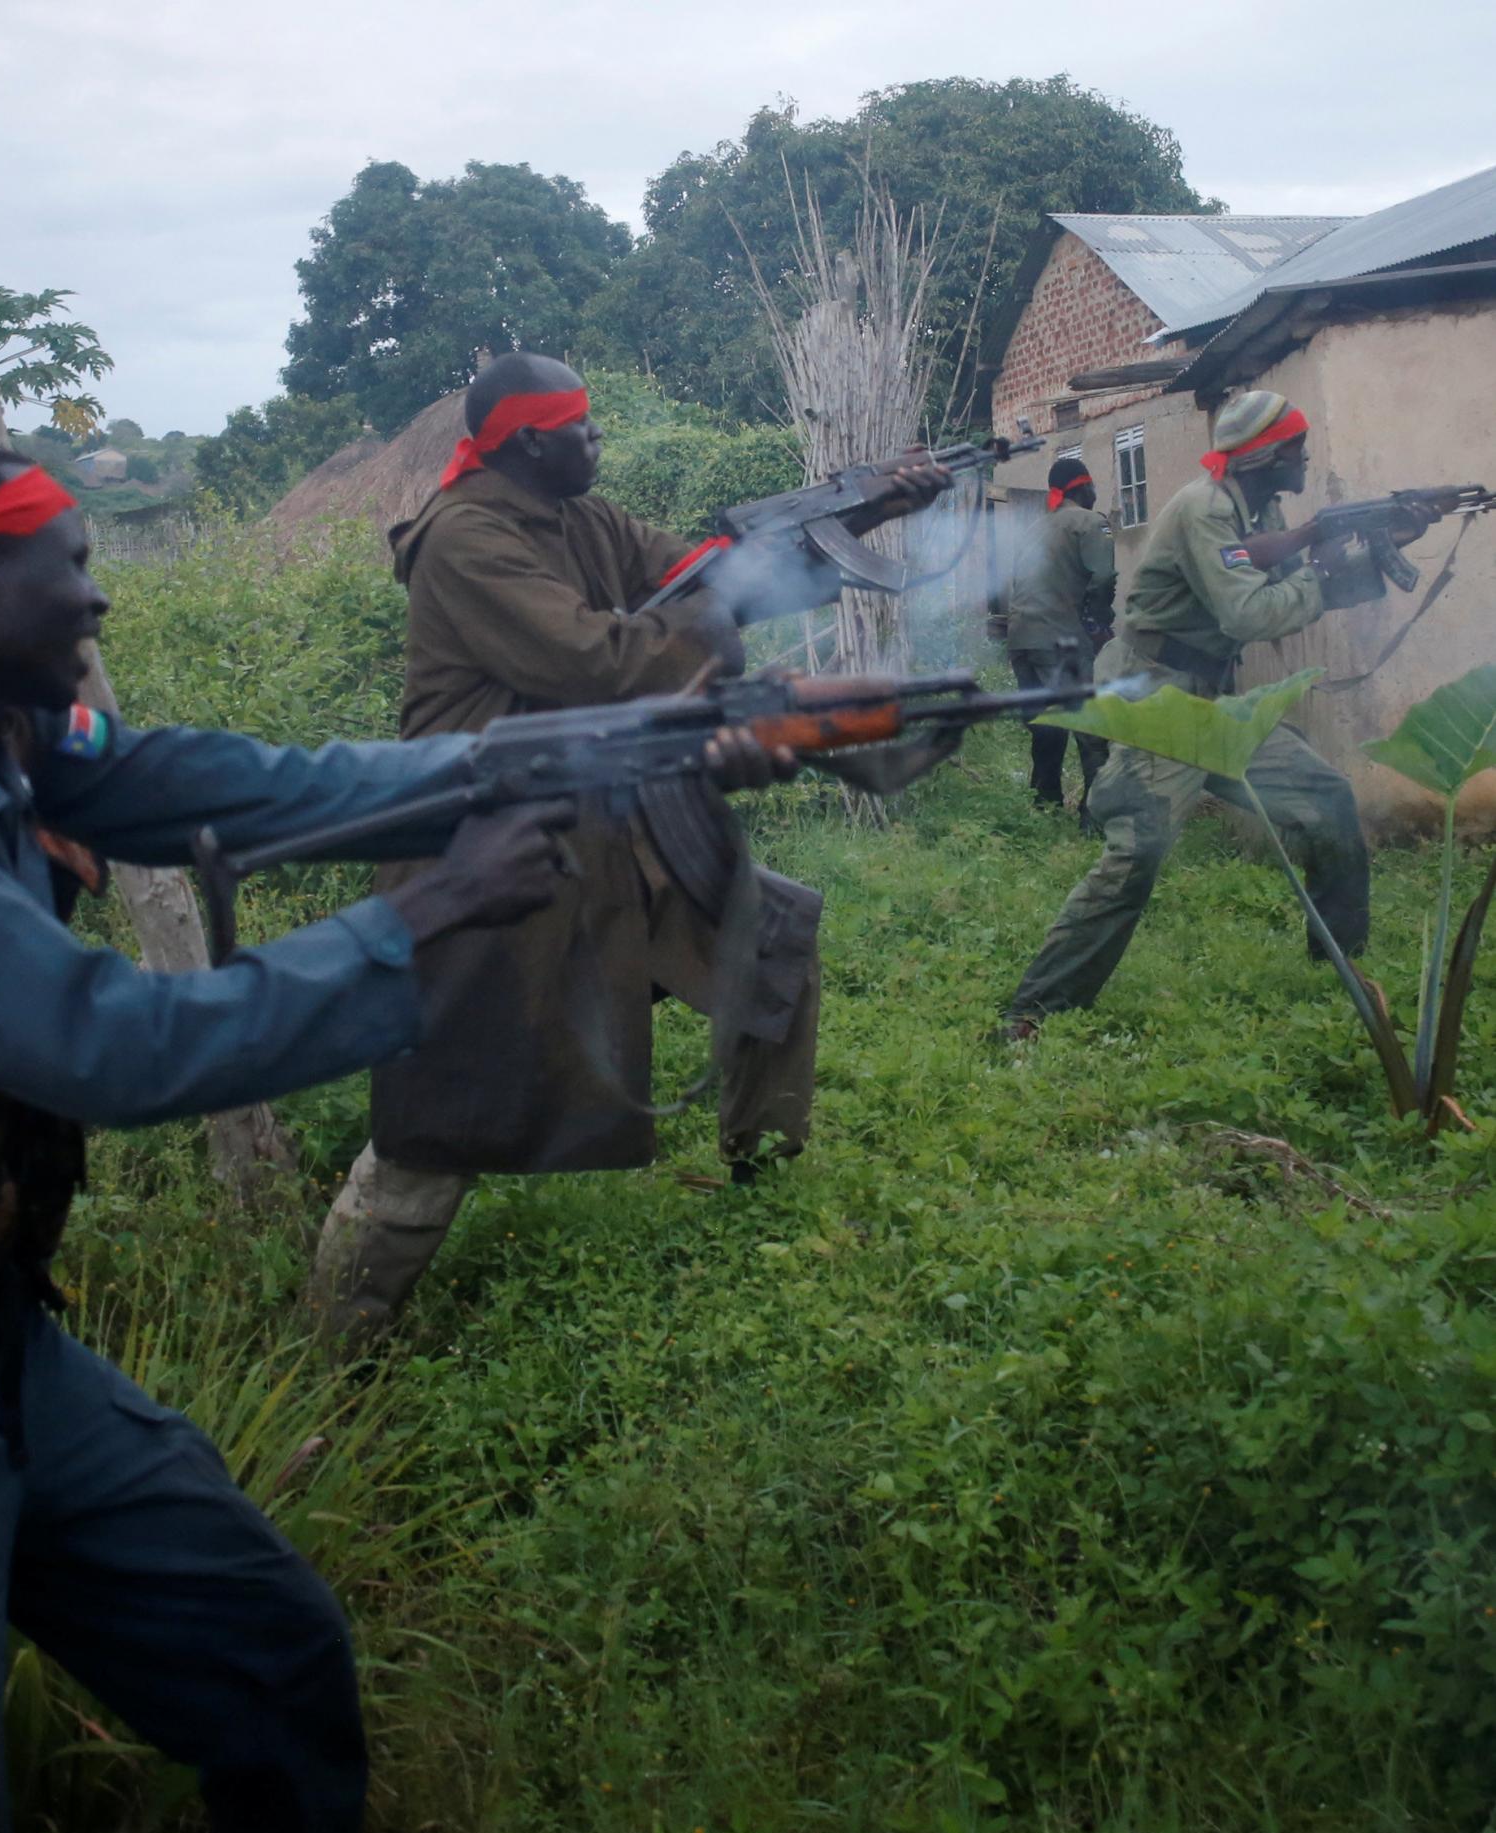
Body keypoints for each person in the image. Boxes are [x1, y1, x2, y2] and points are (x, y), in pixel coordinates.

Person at [0, 440, 786, 1833]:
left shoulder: (4, 737)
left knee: (265, 1649)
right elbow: (106, 1043)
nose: (99, 599)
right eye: (77, 563)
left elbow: (251, 784)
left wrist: (574, 752)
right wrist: (420, 918)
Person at [305, 352, 947, 1351]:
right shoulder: (466, 539)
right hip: (487, 857)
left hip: (608, 832)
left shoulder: (582, 521)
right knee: (439, 1118)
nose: (597, 442)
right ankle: (334, 1342)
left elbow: (717, 581)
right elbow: (603, 663)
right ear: (526, 442)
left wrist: (854, 511)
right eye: (582, 429)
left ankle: (760, 1185)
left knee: (771, 937)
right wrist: (716, 608)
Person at [1000, 391, 1425, 1037]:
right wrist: (1320, 566)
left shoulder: (1260, 507)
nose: (1305, 458)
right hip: (1158, 697)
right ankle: (1034, 1010)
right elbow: (1250, 613)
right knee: (1137, 853)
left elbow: (1288, 584)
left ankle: (1337, 966)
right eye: (1298, 449)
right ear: (1268, 454)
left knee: (1329, 799)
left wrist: (1375, 550)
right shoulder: (1203, 508)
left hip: (1213, 700)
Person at [996, 457, 1115, 814]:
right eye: (1093, 486)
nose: (1095, 493)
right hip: (1060, 640)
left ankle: (1044, 806)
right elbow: (1104, 578)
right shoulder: (1091, 522)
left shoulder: (1034, 528)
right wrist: (1097, 624)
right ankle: (1094, 813)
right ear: (1083, 487)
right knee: (1089, 728)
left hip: (1021, 641)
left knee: (1046, 726)